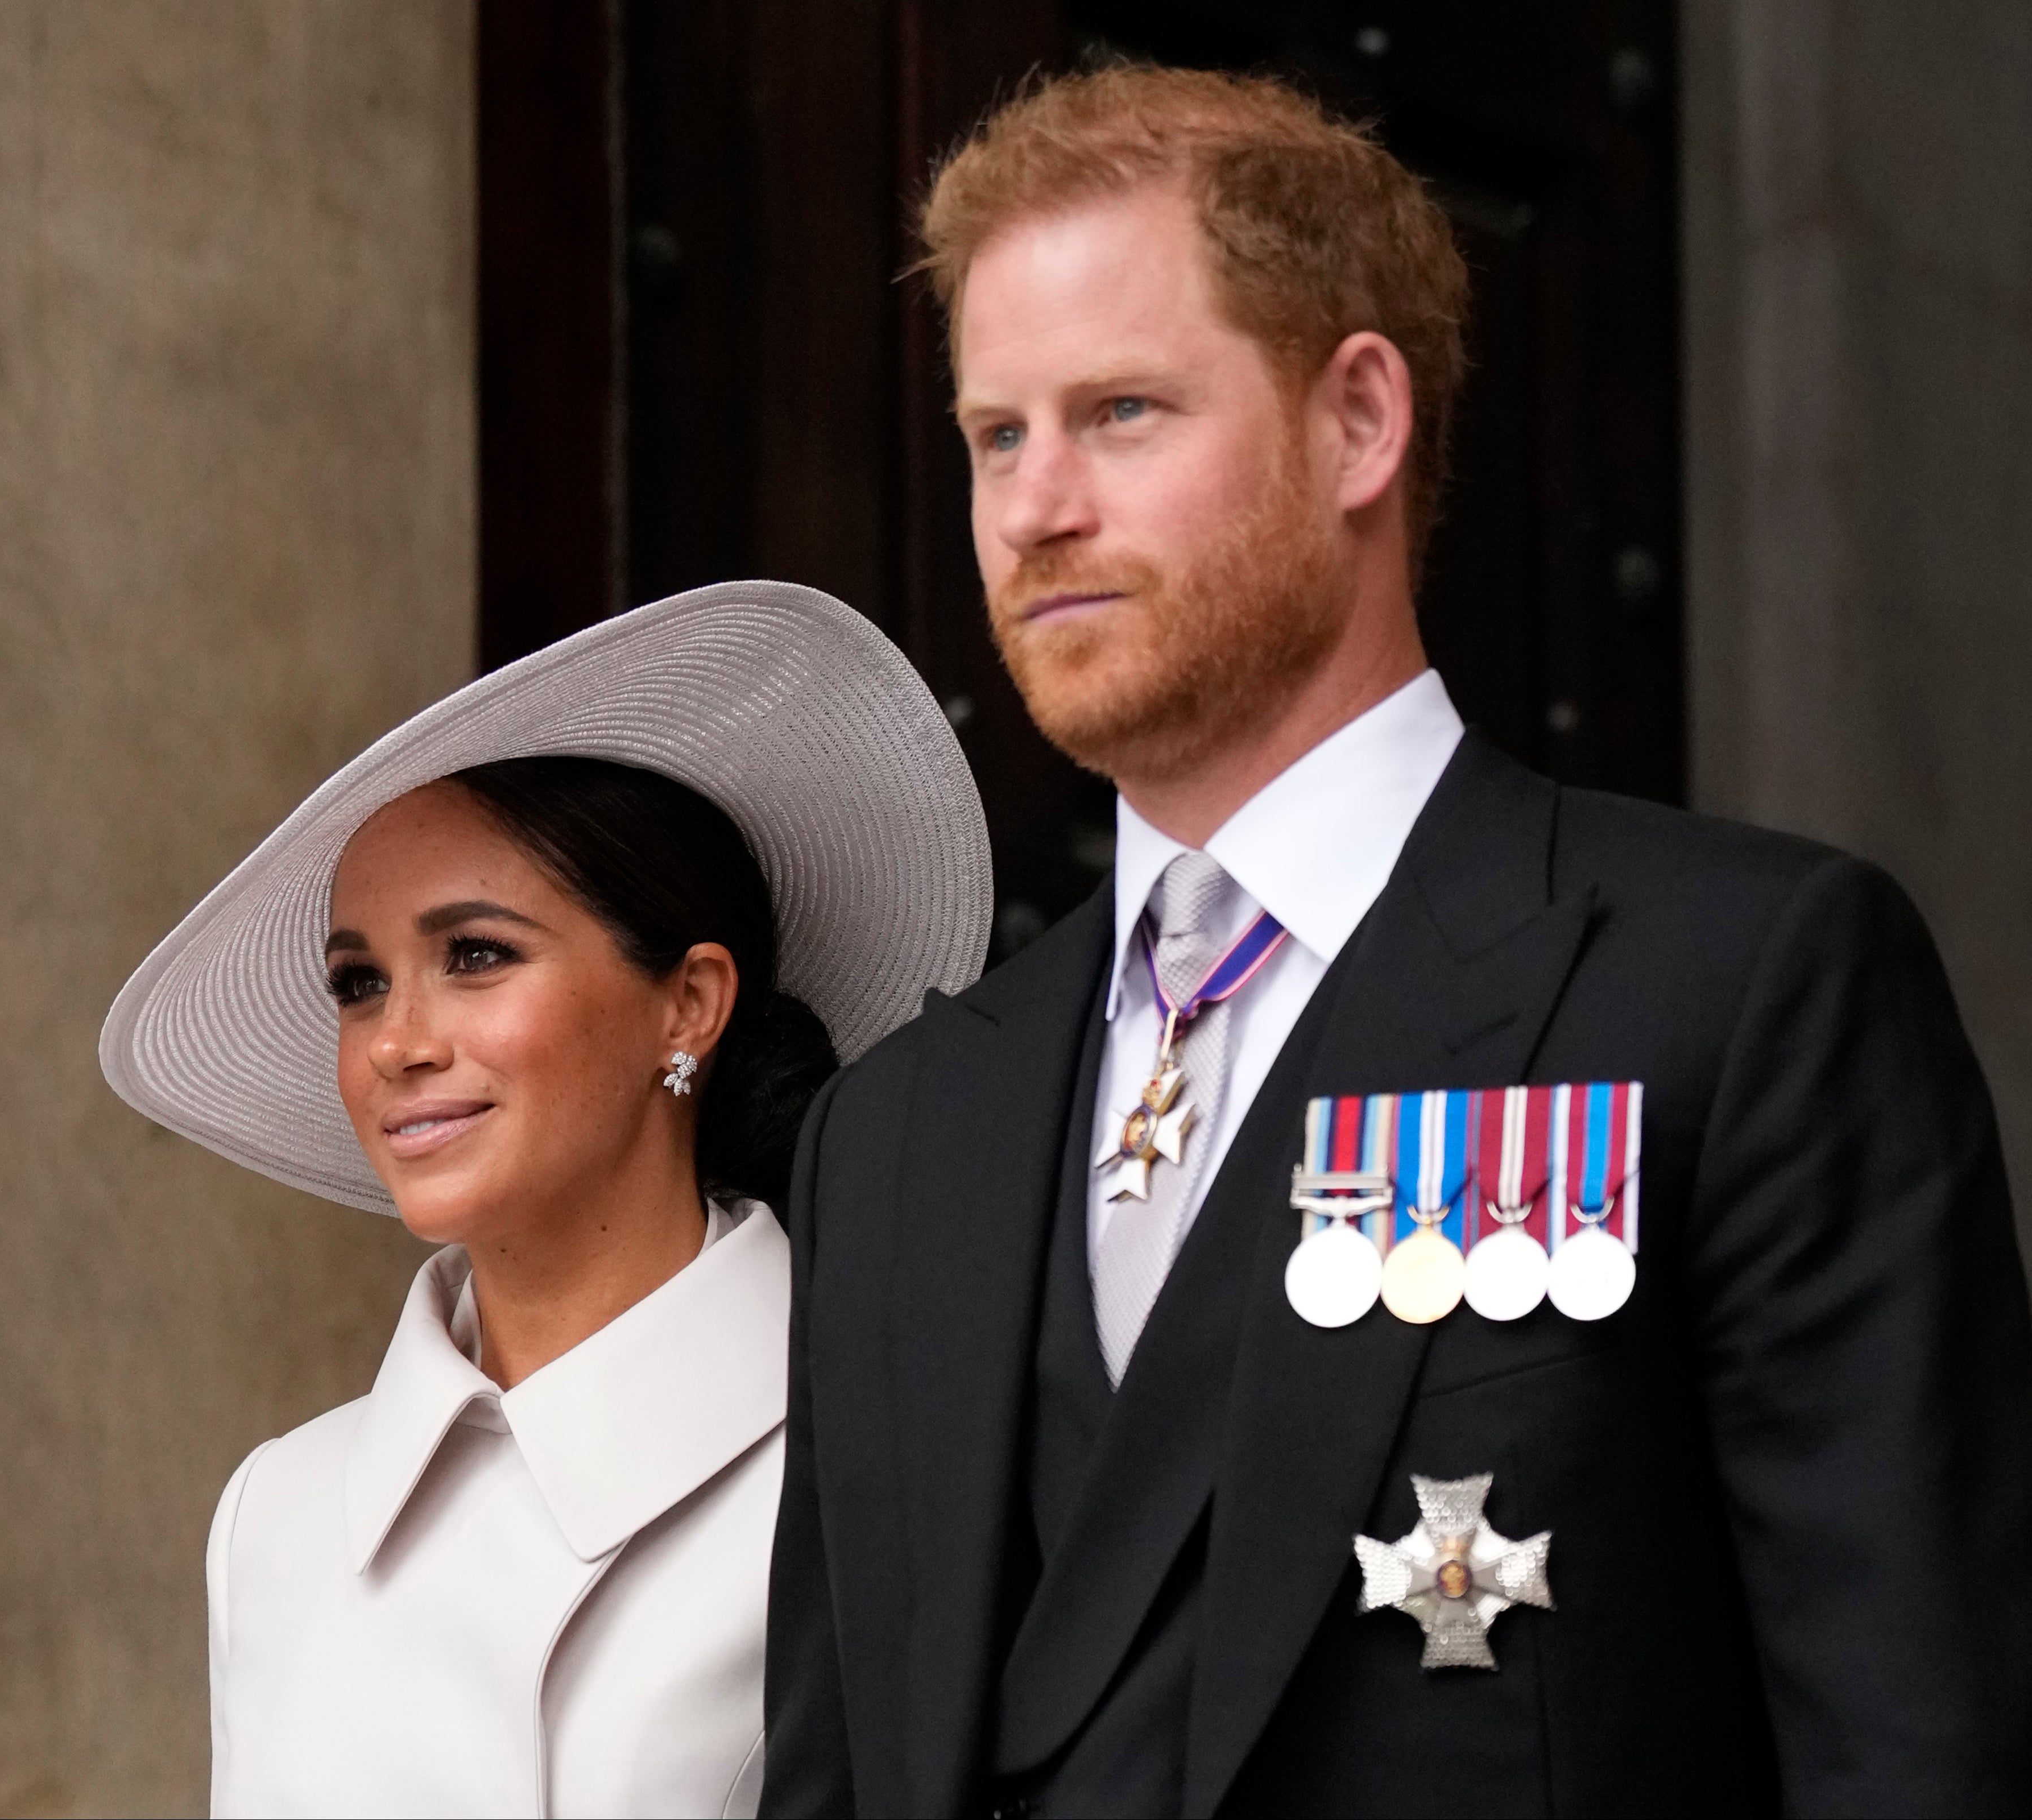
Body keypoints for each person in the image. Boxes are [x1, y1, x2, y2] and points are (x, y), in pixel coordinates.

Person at [761, 64, 2032, 1818]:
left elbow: (1919, 1753)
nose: (1035, 509)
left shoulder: (1741, 990)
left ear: (1360, 420)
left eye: (1122, 411)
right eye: (996, 435)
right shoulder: (892, 1138)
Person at [100, 581, 990, 1818]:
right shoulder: (278, 1512)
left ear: (689, 1003)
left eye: (474, 955)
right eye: (358, 983)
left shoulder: (889, 1457)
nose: (394, 1043)